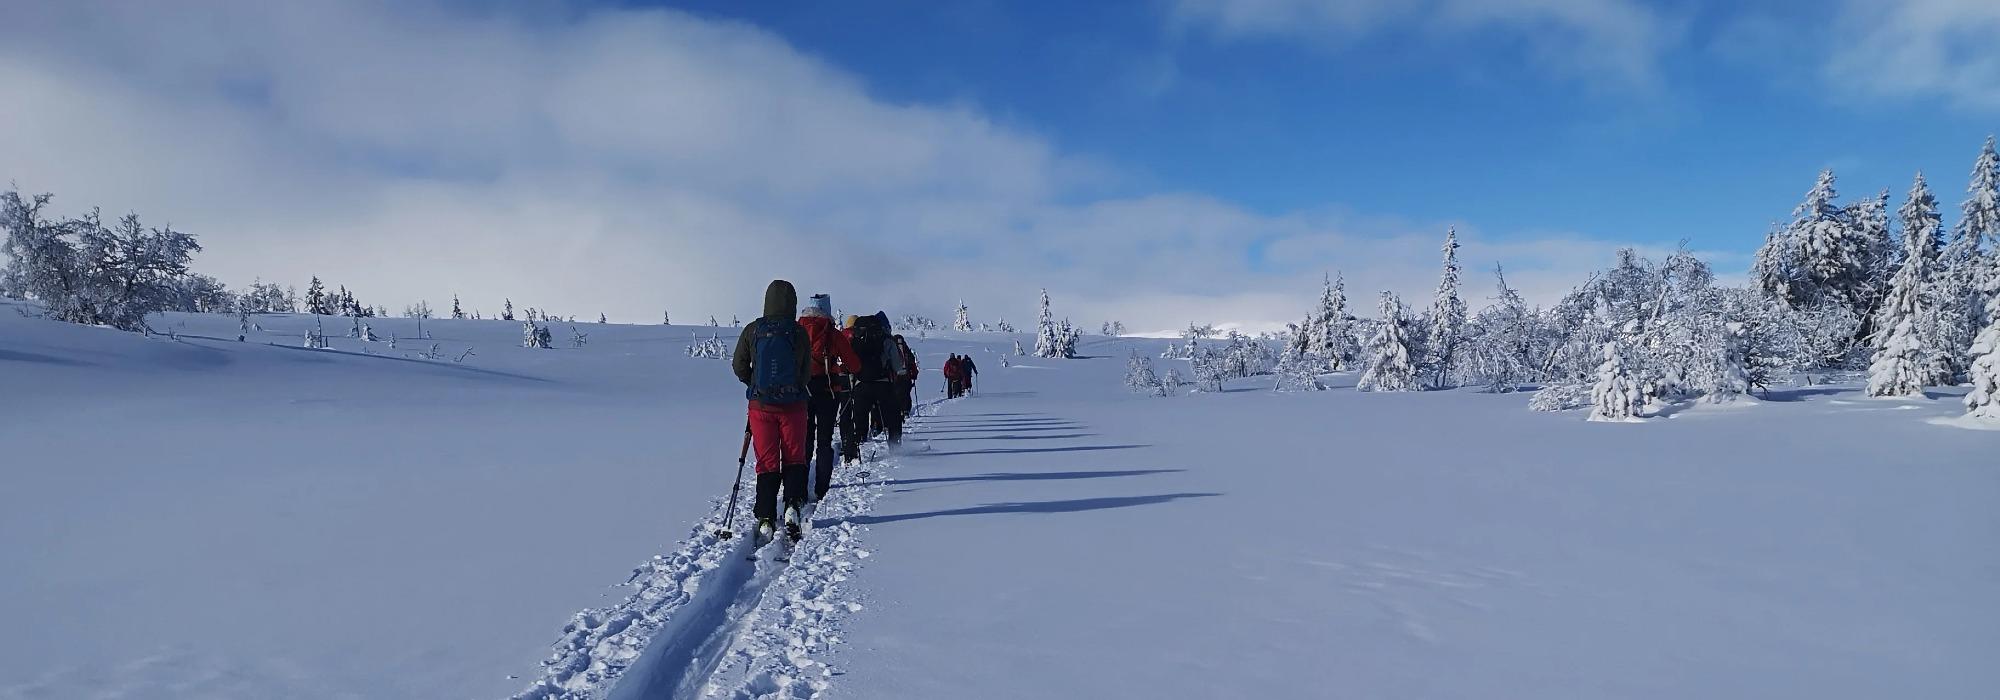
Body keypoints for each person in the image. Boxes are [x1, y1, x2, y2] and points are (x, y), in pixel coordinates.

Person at [732, 280, 812, 542]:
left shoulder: (753, 330)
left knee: (766, 461)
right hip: (794, 407)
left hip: (761, 407)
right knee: (794, 457)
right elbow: (805, 372)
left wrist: (754, 385)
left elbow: (739, 365)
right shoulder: (799, 332)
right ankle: (792, 506)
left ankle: (766, 516)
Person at [799, 293, 861, 502]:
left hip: (802, 392)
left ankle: (798, 490)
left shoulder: (797, 330)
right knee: (824, 441)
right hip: (828, 391)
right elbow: (853, 364)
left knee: (804, 439)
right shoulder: (833, 334)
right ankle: (821, 489)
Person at [843, 312, 906, 449]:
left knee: (858, 418)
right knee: (893, 415)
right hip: (883, 384)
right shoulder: (886, 340)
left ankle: (851, 450)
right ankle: (895, 446)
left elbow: (851, 364)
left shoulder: (857, 339)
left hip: (861, 384)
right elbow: (898, 366)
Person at [893, 333, 918, 419]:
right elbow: (912, 363)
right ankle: (906, 410)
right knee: (906, 393)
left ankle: (898, 410)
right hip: (906, 376)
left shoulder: (892, 348)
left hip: (895, 376)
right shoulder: (906, 350)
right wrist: (914, 374)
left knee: (896, 394)